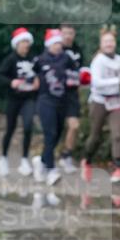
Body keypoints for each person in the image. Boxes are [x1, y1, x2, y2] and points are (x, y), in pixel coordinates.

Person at [81, 28, 120, 184]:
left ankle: (117, 167)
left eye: (111, 41)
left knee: (117, 134)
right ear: (101, 44)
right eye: (106, 41)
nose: (109, 44)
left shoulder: (119, 59)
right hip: (99, 101)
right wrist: (117, 82)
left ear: (115, 43)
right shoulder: (98, 60)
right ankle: (87, 161)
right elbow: (97, 83)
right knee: (95, 136)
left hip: (115, 101)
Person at [32, 29, 75, 185]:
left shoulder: (66, 58)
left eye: (59, 43)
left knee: (56, 135)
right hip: (45, 101)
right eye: (55, 43)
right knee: (49, 134)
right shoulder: (40, 59)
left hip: (61, 101)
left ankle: (41, 161)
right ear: (49, 44)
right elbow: (31, 76)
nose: (58, 46)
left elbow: (75, 72)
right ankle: (51, 170)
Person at [0, 27, 39, 176]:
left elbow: (41, 73)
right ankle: (3, 158)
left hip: (29, 98)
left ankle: (24, 160)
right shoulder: (11, 59)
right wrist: (11, 82)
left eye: (27, 41)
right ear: (17, 44)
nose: (26, 44)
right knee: (10, 129)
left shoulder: (34, 58)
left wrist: (38, 81)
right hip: (14, 99)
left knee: (28, 127)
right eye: (23, 42)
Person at [58, 24, 84, 174]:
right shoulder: (55, 48)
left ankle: (66, 155)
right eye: (65, 33)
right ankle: (46, 161)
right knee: (56, 129)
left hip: (72, 94)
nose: (68, 36)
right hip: (56, 94)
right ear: (60, 34)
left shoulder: (77, 50)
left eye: (71, 33)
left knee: (74, 126)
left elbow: (81, 70)